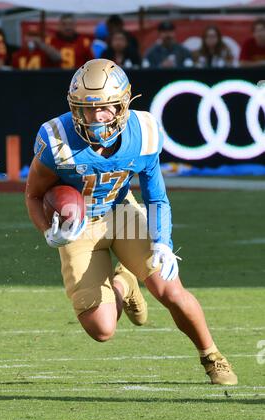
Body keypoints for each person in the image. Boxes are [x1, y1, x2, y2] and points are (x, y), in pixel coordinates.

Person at [25, 58, 238, 386]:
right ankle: (124, 285)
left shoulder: (145, 133)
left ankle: (212, 355)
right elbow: (33, 195)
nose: (95, 117)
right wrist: (47, 231)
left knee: (170, 290)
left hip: (121, 212)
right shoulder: (57, 139)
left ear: (123, 104)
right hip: (78, 226)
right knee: (102, 329)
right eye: (85, 109)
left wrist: (163, 243)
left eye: (105, 108)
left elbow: (157, 198)